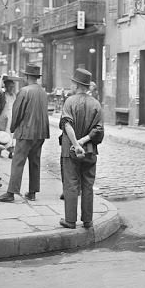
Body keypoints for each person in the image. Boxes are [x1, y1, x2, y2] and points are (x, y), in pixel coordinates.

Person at [0, 64, 50, 203]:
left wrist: (13, 129)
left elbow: (17, 112)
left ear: (27, 77)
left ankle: (11, 193)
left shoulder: (24, 91)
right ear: (36, 77)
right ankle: (32, 192)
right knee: (35, 162)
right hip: (40, 133)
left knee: (18, 162)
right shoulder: (42, 92)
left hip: (26, 132)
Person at [58, 68, 104, 229]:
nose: (71, 85)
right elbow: (98, 130)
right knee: (87, 185)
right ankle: (87, 220)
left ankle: (70, 220)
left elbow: (67, 124)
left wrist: (76, 145)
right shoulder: (96, 104)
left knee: (71, 184)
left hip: (70, 151)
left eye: (72, 82)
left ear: (77, 84)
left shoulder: (70, 102)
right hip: (90, 151)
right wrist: (84, 141)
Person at [0, 75, 19, 157]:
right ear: (6, 87)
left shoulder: (14, 95)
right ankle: (0, 150)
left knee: (12, 135)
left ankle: (11, 152)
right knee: (2, 134)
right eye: (9, 87)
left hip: (12, 117)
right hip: (4, 117)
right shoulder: (3, 95)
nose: (11, 88)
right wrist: (1, 78)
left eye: (12, 87)